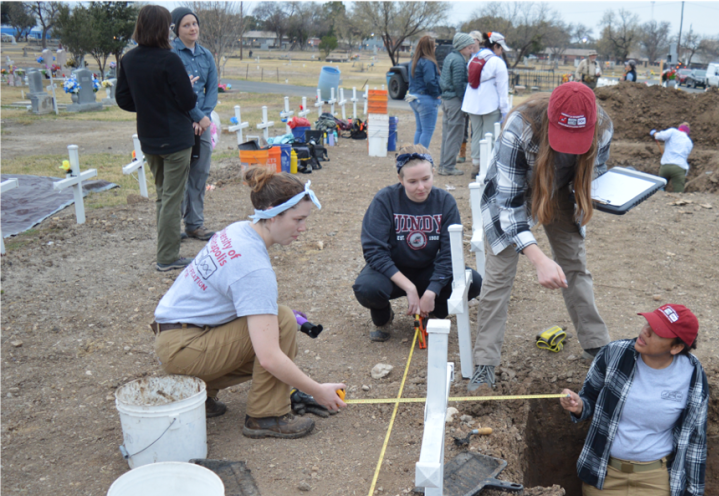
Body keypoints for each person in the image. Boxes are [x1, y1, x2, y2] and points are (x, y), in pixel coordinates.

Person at [152, 167, 346, 438]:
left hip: (177, 336)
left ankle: (198, 395)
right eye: (298, 219)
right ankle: (266, 416)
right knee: (282, 322)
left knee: (275, 318)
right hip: (185, 348)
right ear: (271, 214)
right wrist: (317, 390)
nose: (303, 228)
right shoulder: (253, 267)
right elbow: (268, 357)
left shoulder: (240, 230)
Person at [468, 83, 613, 391]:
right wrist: (538, 259)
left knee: (575, 266)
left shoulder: (602, 126)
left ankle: (596, 344)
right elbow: (507, 207)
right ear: (551, 119)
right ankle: (485, 363)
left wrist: (611, 195)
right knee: (498, 278)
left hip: (562, 190)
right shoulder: (520, 127)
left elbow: (598, 171)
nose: (570, 148)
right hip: (513, 192)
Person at [559, 304, 708, 496]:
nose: (645, 332)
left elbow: (695, 436)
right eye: (647, 323)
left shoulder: (692, 376)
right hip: (604, 475)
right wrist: (579, 407)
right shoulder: (615, 354)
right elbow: (589, 397)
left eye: (657, 332)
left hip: (657, 483)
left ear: (677, 347)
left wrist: (694, 492)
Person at [352, 145, 483, 341]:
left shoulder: (445, 201)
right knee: (367, 288)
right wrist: (409, 288)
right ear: (400, 179)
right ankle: (383, 317)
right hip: (391, 271)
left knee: (473, 281)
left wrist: (433, 290)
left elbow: (450, 252)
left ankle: (432, 314)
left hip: (427, 269)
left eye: (426, 179)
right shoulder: (384, 200)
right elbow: (374, 251)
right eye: (412, 181)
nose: (421, 187)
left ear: (433, 173)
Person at [116, 5, 197, 272]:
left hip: (149, 138)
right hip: (175, 139)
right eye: (171, 27)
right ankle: (167, 257)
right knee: (172, 198)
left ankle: (167, 245)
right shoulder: (169, 59)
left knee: (164, 195)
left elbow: (124, 100)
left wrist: (149, 104)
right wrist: (187, 85)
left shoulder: (128, 59)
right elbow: (187, 101)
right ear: (164, 28)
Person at [171, 7, 219, 242]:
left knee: (200, 174)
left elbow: (211, 90)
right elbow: (176, 92)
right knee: (179, 175)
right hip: (180, 122)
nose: (192, 28)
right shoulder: (171, 54)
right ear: (176, 29)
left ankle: (195, 224)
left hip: (203, 123)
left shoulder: (206, 55)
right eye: (186, 25)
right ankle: (172, 226)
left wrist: (204, 117)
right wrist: (195, 116)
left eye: (194, 24)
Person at [462, 31, 510, 178]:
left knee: (476, 134)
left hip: (472, 103)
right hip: (490, 104)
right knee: (489, 136)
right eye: (501, 48)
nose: (501, 51)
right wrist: (505, 111)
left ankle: (475, 165)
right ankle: (486, 167)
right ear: (495, 45)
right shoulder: (498, 62)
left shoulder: (474, 59)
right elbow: (502, 90)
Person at [438, 33, 477, 176]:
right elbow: (459, 84)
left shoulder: (449, 57)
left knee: (447, 134)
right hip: (455, 100)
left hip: (446, 100)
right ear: (462, 47)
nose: (471, 50)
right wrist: (464, 101)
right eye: (469, 47)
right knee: (455, 134)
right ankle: (448, 167)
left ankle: (443, 165)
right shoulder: (459, 61)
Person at [408, 36, 442, 148]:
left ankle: (415, 156)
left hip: (414, 97)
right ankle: (421, 157)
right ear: (430, 48)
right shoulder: (428, 62)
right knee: (427, 131)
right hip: (426, 98)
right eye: (434, 46)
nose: (435, 48)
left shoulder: (413, 61)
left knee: (420, 129)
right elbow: (430, 80)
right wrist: (437, 94)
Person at [650, 123, 693, 193]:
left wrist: (654, 133)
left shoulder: (673, 131)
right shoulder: (689, 142)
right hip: (679, 168)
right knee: (679, 193)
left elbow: (659, 136)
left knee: (659, 191)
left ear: (679, 128)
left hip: (665, 166)